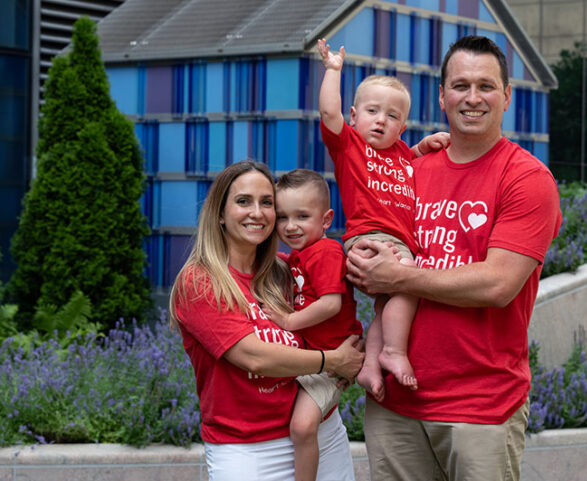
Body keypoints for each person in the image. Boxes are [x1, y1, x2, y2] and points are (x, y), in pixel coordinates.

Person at [346, 36, 563, 481]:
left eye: (486, 85)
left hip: (479, 406)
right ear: (442, 96)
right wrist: (357, 257)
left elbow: (497, 285)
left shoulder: (526, 179)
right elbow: (368, 228)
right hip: (395, 404)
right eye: (460, 85)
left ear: (506, 95)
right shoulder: (410, 170)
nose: (472, 97)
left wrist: (398, 276)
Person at [169, 161, 364, 481]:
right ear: (220, 212)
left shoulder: (287, 271)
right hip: (250, 451)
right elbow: (254, 357)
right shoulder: (201, 282)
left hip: (320, 433)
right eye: (244, 201)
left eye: (267, 202)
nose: (257, 212)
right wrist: (334, 360)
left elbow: (338, 309)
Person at [316, 38, 449, 400]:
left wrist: (425, 146)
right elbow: (330, 114)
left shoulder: (403, 154)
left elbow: (412, 159)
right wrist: (332, 71)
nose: (381, 121)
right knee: (412, 286)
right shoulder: (350, 147)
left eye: (392, 116)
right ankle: (394, 351)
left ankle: (372, 363)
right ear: (355, 117)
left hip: (398, 244)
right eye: (373, 111)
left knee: (386, 306)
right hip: (372, 239)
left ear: (402, 129)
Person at [261, 169, 362, 481]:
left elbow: (331, 303)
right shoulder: (299, 256)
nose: (290, 226)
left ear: (326, 219)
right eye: (282, 217)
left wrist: (289, 321)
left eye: (302, 216)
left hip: (332, 359)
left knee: (303, 427)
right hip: (313, 359)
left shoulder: (327, 252)